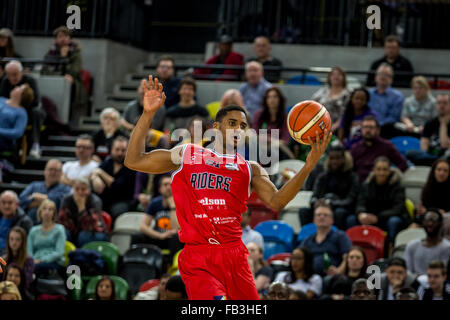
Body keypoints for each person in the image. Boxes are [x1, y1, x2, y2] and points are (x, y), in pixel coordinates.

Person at [124, 75, 331, 300]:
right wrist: (147, 114)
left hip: (235, 254)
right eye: (232, 123)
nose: (238, 130)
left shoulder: (250, 168)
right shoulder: (187, 154)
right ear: (215, 127)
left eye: (243, 126)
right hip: (198, 254)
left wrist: (308, 166)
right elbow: (134, 160)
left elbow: (277, 201)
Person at [347, 156, 409, 243]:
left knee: (393, 221)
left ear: (389, 170)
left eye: (385, 169)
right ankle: (354, 249)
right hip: (369, 218)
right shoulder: (366, 185)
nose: (381, 173)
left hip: (386, 219)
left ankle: (389, 250)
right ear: (374, 170)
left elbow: (398, 209)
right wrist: (361, 213)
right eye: (379, 169)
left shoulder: (397, 186)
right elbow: (360, 203)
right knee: (351, 219)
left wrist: (378, 217)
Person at [301, 145, 359, 229]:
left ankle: (337, 238)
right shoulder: (322, 177)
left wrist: (331, 203)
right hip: (322, 207)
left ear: (344, 159)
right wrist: (316, 202)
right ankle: (307, 237)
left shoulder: (352, 177)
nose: (334, 161)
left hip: (341, 208)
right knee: (304, 211)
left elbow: (350, 200)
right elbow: (314, 197)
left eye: (338, 158)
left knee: (339, 213)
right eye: (332, 158)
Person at [43, 26, 87, 123]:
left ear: (70, 38)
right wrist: (61, 75)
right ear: (56, 39)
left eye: (66, 36)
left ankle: (67, 121)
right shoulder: (51, 53)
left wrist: (64, 58)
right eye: (60, 36)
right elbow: (45, 71)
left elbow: (75, 71)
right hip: (52, 83)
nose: (63, 39)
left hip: (73, 83)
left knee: (69, 82)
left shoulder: (75, 53)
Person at [0, 60, 44, 158]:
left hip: (27, 108)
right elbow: (2, 97)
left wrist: (15, 105)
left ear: (21, 72)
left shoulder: (30, 81)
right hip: (8, 106)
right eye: (10, 75)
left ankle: (35, 144)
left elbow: (35, 101)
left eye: (16, 74)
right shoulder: (5, 83)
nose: (14, 77)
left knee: (35, 112)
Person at [131, 174, 183, 255]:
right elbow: (143, 226)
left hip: (172, 238)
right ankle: (136, 261)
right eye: (165, 185)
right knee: (137, 236)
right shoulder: (155, 203)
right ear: (160, 189)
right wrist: (159, 235)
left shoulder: (181, 203)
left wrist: (173, 207)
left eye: (171, 185)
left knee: (176, 237)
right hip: (158, 236)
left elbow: (176, 228)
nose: (168, 187)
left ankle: (172, 264)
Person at [300, 200, 352, 276]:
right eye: (318, 215)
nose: (322, 217)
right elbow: (298, 256)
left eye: (325, 215)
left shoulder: (340, 236)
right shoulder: (308, 240)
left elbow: (348, 257)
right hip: (310, 277)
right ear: (314, 220)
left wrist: (339, 271)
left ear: (332, 220)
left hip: (332, 277)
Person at [350, 115, 408, 182]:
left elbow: (403, 165)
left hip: (381, 186)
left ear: (378, 130)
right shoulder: (355, 148)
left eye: (371, 127)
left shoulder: (386, 146)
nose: (368, 130)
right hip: (360, 186)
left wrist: (392, 177)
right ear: (361, 129)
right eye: (365, 127)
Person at [90, 137, 136, 219]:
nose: (120, 153)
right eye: (117, 150)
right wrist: (95, 178)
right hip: (104, 199)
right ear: (111, 150)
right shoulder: (107, 162)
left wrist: (100, 173)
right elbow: (95, 176)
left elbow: (117, 185)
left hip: (122, 201)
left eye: (123, 150)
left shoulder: (131, 167)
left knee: (118, 210)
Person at [18, 159, 71, 225]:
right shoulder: (34, 185)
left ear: (61, 173)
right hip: (29, 224)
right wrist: (46, 201)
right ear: (45, 171)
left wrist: (35, 197)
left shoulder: (66, 189)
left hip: (53, 226)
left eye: (56, 170)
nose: (53, 172)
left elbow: (60, 203)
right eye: (50, 169)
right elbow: (21, 200)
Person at [58, 177, 107, 247]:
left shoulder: (95, 201)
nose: (80, 192)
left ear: (89, 190)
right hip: (74, 230)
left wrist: (81, 208)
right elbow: (61, 221)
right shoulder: (67, 199)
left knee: (83, 236)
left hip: (95, 232)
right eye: (77, 189)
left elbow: (92, 225)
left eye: (83, 189)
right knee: (63, 233)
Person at [406, 94, 450, 166]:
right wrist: (435, 152)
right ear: (436, 105)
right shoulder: (430, 123)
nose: (442, 106)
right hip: (433, 154)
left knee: (447, 155)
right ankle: (436, 163)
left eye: (445, 103)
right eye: (439, 103)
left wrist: (443, 124)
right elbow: (424, 147)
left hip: (446, 155)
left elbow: (444, 145)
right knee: (410, 153)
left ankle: (437, 163)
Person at [26, 200, 66, 277]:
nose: (47, 212)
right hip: (35, 261)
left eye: (50, 209)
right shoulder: (33, 230)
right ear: (40, 212)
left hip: (54, 262)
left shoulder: (60, 229)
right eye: (44, 209)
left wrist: (41, 260)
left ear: (54, 213)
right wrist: (32, 261)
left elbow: (59, 252)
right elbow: (29, 251)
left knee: (35, 268)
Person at [404, 210, 450, 276]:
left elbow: (444, 272)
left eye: (434, 221)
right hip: (414, 283)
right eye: (427, 220)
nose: (430, 224)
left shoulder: (447, 247)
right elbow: (407, 271)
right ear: (423, 223)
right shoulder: (412, 245)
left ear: (440, 224)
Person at [368, 63, 405, 139]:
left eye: (386, 75)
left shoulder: (397, 96)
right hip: (367, 126)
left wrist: (376, 126)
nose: (383, 76)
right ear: (375, 77)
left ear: (391, 79)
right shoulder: (368, 94)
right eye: (381, 74)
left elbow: (393, 117)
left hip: (386, 129)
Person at [312, 67, 350, 131]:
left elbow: (347, 114)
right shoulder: (322, 91)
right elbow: (312, 106)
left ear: (344, 78)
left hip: (339, 127)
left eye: (339, 74)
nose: (336, 76)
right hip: (319, 124)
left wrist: (334, 127)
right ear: (329, 78)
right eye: (333, 74)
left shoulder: (348, 93)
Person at [0, 83, 32, 153]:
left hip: (3, 142)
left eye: (20, 88)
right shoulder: (1, 100)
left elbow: (17, 132)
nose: (16, 87)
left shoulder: (21, 113)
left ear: (23, 95)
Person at [416, 159, 450, 223]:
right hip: (428, 220)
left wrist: (430, 211)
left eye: (445, 171)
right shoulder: (427, 188)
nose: (441, 173)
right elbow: (423, 209)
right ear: (434, 171)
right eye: (439, 170)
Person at [2, 226, 34, 290]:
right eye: (11, 239)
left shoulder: (28, 260)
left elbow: (26, 283)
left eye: (18, 239)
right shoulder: (3, 259)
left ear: (23, 241)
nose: (14, 243)